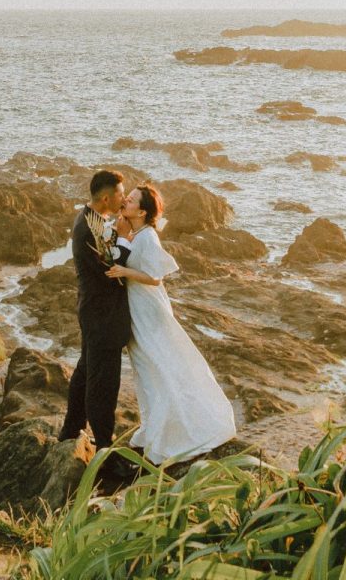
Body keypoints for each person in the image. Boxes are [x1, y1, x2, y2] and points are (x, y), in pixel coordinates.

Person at [105, 183, 237, 464]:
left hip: (148, 309)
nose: (124, 202)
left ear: (141, 210)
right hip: (137, 307)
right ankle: (155, 429)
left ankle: (176, 432)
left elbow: (156, 277)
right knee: (147, 371)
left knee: (160, 366)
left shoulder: (149, 236)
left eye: (129, 201)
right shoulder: (136, 232)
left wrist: (125, 270)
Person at [59, 169, 132, 454]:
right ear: (105, 197)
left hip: (94, 311)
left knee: (86, 371)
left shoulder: (93, 219)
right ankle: (104, 445)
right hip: (102, 316)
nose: (124, 197)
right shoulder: (90, 227)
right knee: (103, 381)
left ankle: (70, 430)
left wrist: (117, 232)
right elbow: (112, 271)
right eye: (120, 193)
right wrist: (124, 238)